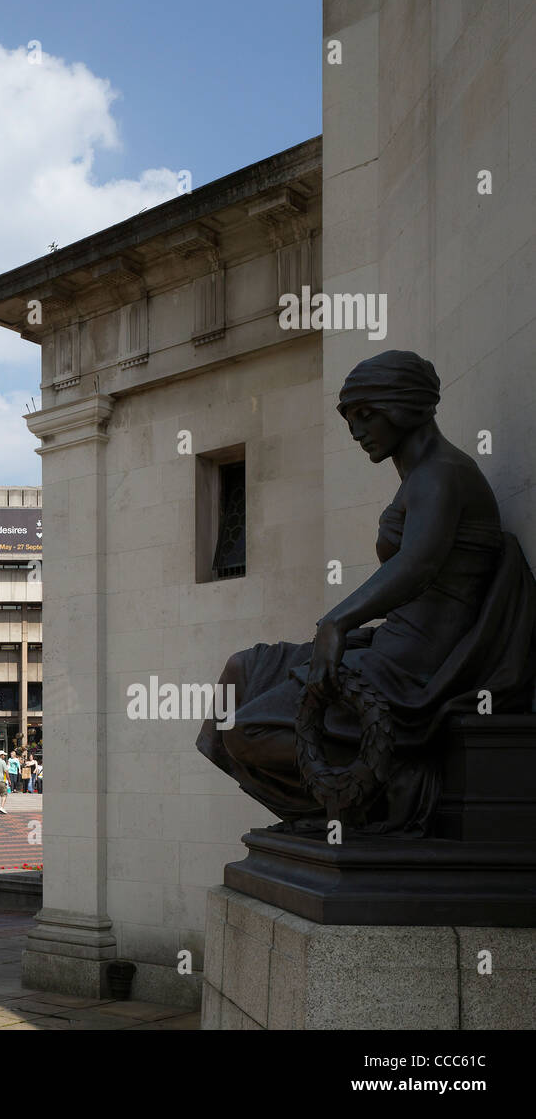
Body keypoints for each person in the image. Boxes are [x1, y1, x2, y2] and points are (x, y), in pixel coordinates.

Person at [198, 350, 536, 834]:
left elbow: (418, 564)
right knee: (240, 671)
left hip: (416, 664)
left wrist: (336, 622)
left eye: (365, 414)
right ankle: (341, 797)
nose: (356, 431)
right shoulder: (421, 477)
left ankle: (391, 783)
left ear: (405, 405)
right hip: (385, 643)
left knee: (244, 731)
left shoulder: (442, 475)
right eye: (349, 418)